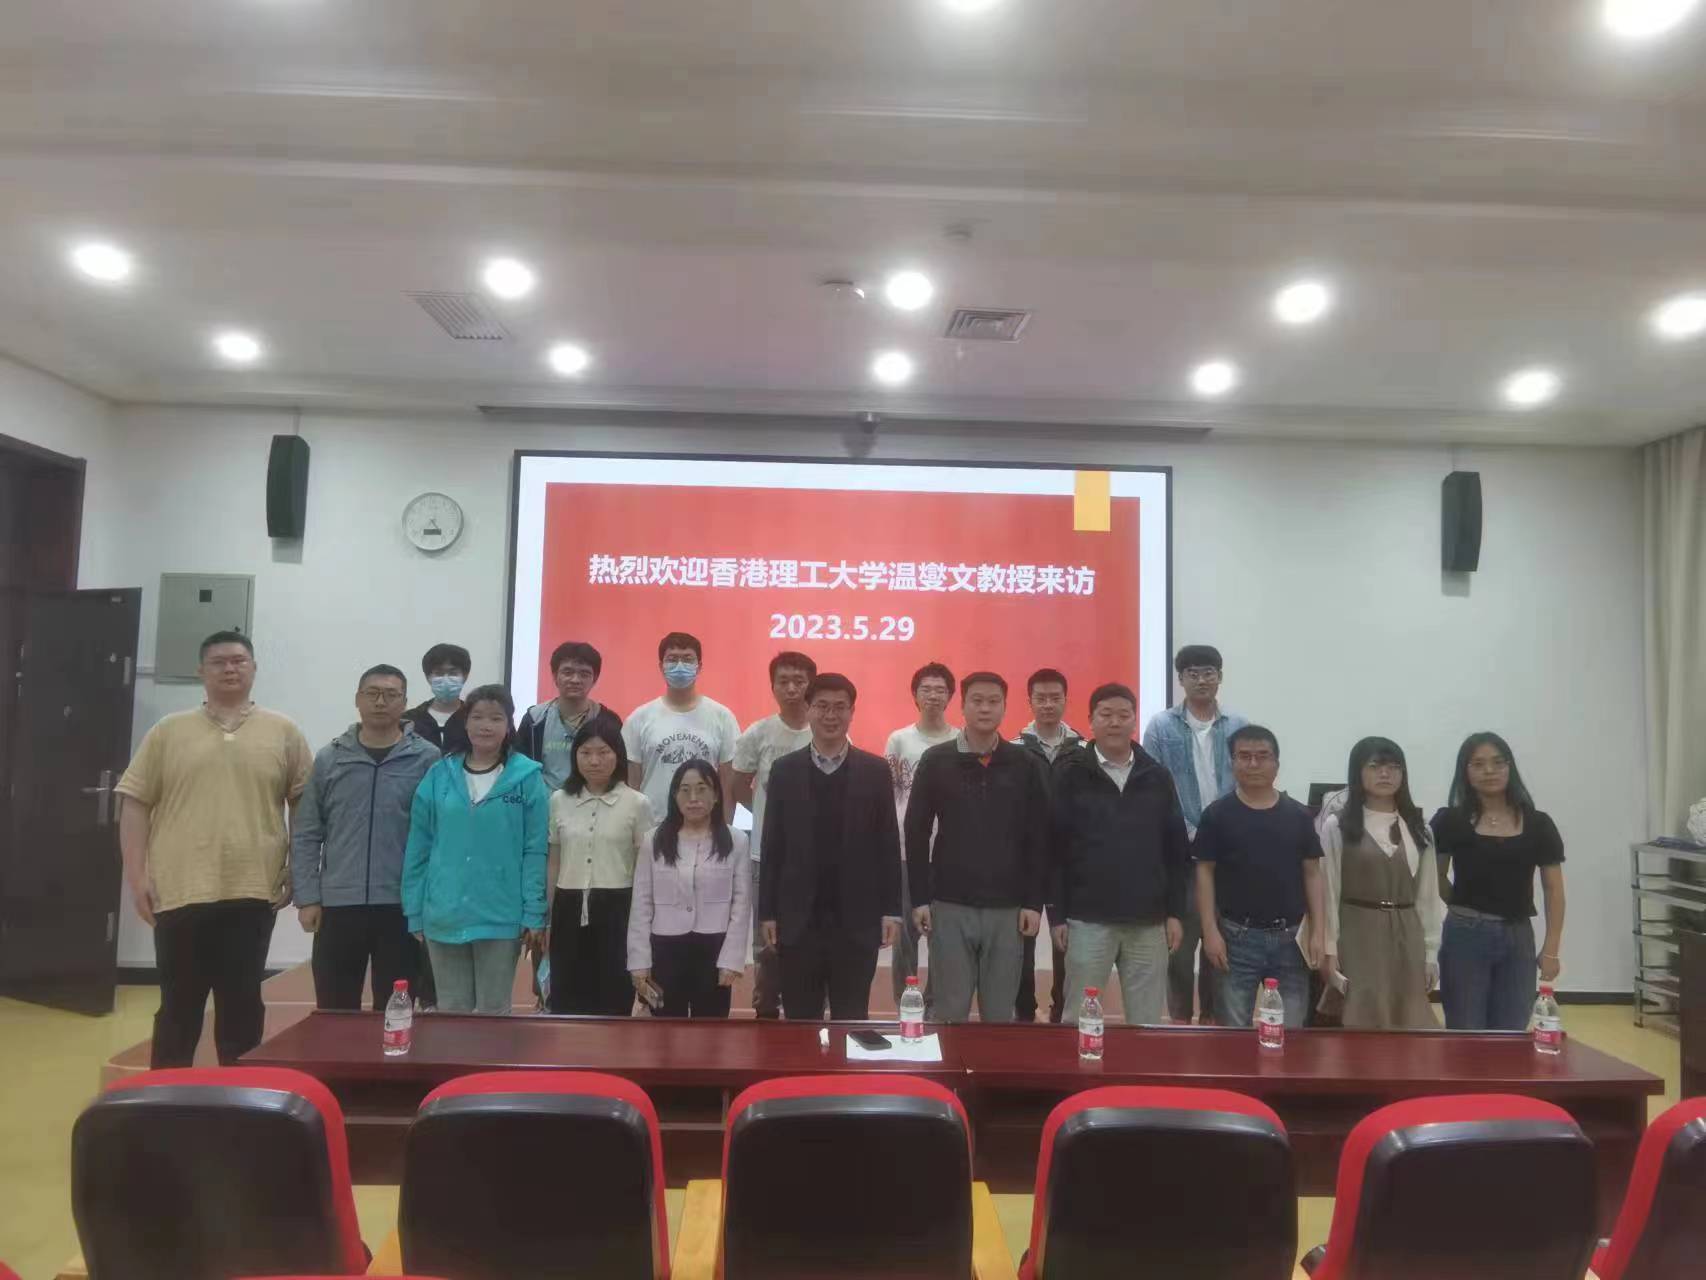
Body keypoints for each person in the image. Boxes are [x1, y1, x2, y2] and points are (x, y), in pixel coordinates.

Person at [116, 631, 312, 1067]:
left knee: (242, 1004)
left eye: (239, 661)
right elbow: (134, 803)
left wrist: (299, 868)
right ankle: (166, 1092)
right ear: (200, 671)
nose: (230, 669)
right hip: (180, 888)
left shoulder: (283, 731)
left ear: (254, 669)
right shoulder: (168, 731)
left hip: (253, 888)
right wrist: (137, 876)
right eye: (219, 661)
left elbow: (303, 805)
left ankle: (239, 1093)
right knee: (179, 1005)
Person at [290, 664, 440, 1011]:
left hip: (402, 906)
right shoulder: (331, 758)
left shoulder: (427, 759)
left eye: (391, 695)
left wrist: (429, 901)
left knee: (396, 1010)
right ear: (357, 699)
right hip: (338, 906)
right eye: (372, 694)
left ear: (405, 702)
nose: (380, 702)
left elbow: (439, 836)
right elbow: (307, 832)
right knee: (335, 1009)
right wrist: (308, 897)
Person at [906, 672, 1048, 1023]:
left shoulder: (1025, 763)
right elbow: (916, 830)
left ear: (1005, 707)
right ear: (963, 705)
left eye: (993, 701)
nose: (985, 708)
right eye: (977, 701)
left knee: (999, 1015)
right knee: (949, 1011)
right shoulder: (936, 760)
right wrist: (920, 898)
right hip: (950, 904)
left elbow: (1038, 836)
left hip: (1007, 908)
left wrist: (1034, 902)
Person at [761, 674, 902, 1020]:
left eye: (840, 707)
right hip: (798, 922)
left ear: (852, 712)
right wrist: (767, 912)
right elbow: (772, 846)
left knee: (851, 1019)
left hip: (856, 923)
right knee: (799, 1020)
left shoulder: (875, 771)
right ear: (808, 710)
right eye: (822, 706)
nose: (830, 715)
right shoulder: (784, 771)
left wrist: (891, 910)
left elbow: (887, 844)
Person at [402, 685, 549, 1014]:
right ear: (465, 722)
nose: (486, 726)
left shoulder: (527, 777)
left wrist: (533, 912)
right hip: (444, 912)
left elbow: (535, 850)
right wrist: (414, 910)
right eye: (478, 717)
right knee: (451, 1010)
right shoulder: (439, 775)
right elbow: (419, 846)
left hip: (502, 914)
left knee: (494, 1013)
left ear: (509, 726)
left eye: (496, 718)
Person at [1051, 682, 1188, 1027]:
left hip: (1148, 921)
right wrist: (1057, 915)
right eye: (1106, 714)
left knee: (1146, 1023)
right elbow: (1055, 849)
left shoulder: (1157, 776)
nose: (1114, 722)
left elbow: (1175, 850)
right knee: (1079, 1019)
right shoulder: (1070, 774)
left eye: (1123, 715)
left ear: (1134, 721)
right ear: (1091, 721)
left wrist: (1175, 913)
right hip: (1088, 919)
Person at [1431, 732, 1567, 1031]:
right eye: (1478, 764)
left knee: (1512, 1031)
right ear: (1465, 771)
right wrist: (1463, 904)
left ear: (1510, 767)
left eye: (1497, 762)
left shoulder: (1539, 824)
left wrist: (1551, 949)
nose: (1489, 771)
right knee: (1465, 1029)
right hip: (1464, 936)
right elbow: (1434, 876)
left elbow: (1554, 889)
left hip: (1518, 937)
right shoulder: (1449, 821)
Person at [1142, 644, 1246, 1024]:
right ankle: (1181, 1023)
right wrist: (1191, 834)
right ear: (1180, 679)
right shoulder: (1160, 726)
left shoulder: (1238, 726)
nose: (1201, 680)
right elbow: (1152, 788)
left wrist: (1218, 835)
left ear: (1220, 677)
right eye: (1193, 674)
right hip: (1181, 856)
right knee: (1180, 952)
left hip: (1228, 857)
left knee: (1222, 948)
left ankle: (1213, 1022)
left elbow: (1247, 783)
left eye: (1209, 673)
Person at [1195, 725, 1325, 1029]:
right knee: (1233, 1033)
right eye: (1244, 756)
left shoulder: (1298, 816)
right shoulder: (1216, 815)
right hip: (1235, 939)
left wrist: (1318, 932)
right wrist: (1210, 932)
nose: (1253, 764)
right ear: (1232, 763)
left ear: (1276, 764)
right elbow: (1204, 874)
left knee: (1291, 1033)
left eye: (1262, 756)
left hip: (1291, 940)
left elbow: (1312, 874)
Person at [1318, 737, 1442, 1029]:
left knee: (1408, 1020)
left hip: (1407, 934)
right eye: (1375, 766)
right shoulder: (1338, 826)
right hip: (1357, 933)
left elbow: (1427, 896)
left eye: (1394, 767)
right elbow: (1329, 892)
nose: (1385, 774)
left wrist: (1430, 953)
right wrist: (1329, 950)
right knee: (1361, 1016)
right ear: (1358, 772)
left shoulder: (1419, 828)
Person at [628, 759, 751, 1018]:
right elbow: (641, 903)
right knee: (664, 1030)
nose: (693, 798)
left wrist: (731, 959)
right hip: (665, 949)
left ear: (716, 796)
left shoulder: (736, 840)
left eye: (702, 789)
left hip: (714, 948)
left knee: (711, 1031)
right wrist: (639, 961)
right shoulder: (654, 840)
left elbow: (741, 905)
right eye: (685, 790)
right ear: (675, 796)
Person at [731, 651, 818, 1018]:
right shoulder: (759, 733)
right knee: (765, 939)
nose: (792, 688)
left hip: (815, 858)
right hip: (764, 855)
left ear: (811, 685)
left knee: (811, 934)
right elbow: (738, 785)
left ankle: (809, 1005)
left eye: (799, 681)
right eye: (783, 681)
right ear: (772, 686)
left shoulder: (824, 730)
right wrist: (770, 820)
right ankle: (765, 1005)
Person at [546, 719, 651, 1016]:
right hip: (568, 907)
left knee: (613, 998)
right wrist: (549, 915)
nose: (594, 761)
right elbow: (554, 860)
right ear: (575, 756)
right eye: (586, 752)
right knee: (566, 998)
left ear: (618, 754)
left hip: (618, 908)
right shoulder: (559, 800)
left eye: (603, 752)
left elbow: (643, 868)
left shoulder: (637, 803)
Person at [883, 662, 958, 1001]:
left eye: (940, 690)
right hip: (905, 851)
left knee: (944, 936)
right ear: (915, 695)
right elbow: (889, 794)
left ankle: (935, 1005)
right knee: (905, 938)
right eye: (926, 689)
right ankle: (905, 1003)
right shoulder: (899, 739)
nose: (933, 696)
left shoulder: (960, 740)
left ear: (950, 696)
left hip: (947, 854)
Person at [1012, 667, 1082, 1022]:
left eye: (1055, 698)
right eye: (1041, 698)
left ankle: (1061, 1011)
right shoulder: (1013, 749)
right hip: (1023, 860)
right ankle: (1023, 1010)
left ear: (1066, 700)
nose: (1048, 704)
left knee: (1066, 941)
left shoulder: (1084, 750)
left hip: (1070, 862)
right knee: (1020, 941)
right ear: (1030, 701)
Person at [625, 632, 740, 821]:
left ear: (699, 666)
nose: (680, 666)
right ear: (661, 666)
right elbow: (632, 785)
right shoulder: (639, 718)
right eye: (672, 659)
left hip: (706, 827)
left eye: (687, 659)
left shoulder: (722, 717)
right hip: (653, 826)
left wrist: (725, 828)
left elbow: (728, 785)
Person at [518, 640, 624, 790]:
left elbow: (619, 770)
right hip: (543, 802)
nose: (575, 680)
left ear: (595, 679)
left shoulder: (608, 720)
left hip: (593, 802)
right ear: (555, 676)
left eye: (584, 674)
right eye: (567, 673)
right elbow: (520, 768)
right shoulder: (534, 719)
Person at [405, 642, 473, 756]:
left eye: (453, 673)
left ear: (465, 676)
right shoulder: (409, 720)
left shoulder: (473, 718)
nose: (446, 679)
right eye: (439, 673)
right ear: (428, 677)